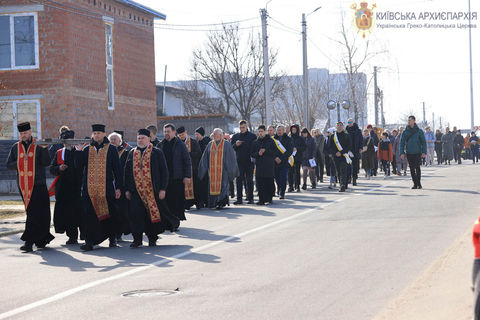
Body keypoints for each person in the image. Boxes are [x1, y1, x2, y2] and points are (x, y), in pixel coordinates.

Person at [124, 129, 180, 247]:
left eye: (143, 138)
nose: (140, 140)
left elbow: (164, 171)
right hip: (136, 191)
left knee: (151, 216)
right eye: (139, 138)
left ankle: (152, 238)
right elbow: (127, 172)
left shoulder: (156, 152)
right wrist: (127, 189)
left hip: (152, 191)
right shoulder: (132, 153)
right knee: (136, 215)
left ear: (149, 139)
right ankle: (137, 239)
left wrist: (163, 189)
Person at [6, 122, 54, 252]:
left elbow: (46, 163)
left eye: (25, 133)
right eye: (21, 133)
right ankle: (31, 241)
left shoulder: (38, 145)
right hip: (23, 186)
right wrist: (20, 162)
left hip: (38, 184)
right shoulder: (16, 147)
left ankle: (37, 240)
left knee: (42, 213)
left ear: (30, 132)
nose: (23, 135)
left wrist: (44, 149)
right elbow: (9, 164)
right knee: (32, 213)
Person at [75, 124, 122, 251]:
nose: (96, 135)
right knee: (89, 216)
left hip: (106, 189)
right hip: (89, 190)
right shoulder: (86, 149)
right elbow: (78, 168)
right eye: (94, 133)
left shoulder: (111, 149)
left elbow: (117, 170)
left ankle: (112, 239)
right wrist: (78, 152)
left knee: (109, 213)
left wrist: (118, 187)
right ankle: (90, 241)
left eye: (99, 133)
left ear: (104, 134)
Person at [49, 130, 83, 245]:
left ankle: (83, 234)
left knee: (79, 212)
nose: (67, 144)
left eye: (69, 141)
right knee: (67, 213)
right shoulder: (59, 152)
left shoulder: (79, 151)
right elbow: (51, 169)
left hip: (77, 187)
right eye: (65, 142)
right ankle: (72, 236)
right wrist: (59, 168)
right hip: (63, 188)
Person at [159, 124, 192, 225]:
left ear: (174, 132)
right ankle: (168, 221)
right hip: (164, 179)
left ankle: (175, 221)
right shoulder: (161, 145)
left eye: (168, 131)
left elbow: (187, 160)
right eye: (165, 132)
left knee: (176, 201)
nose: (166, 134)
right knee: (165, 201)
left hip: (176, 178)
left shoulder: (180, 144)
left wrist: (187, 176)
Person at [198, 128, 239, 209]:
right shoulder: (210, 144)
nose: (214, 136)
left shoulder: (226, 144)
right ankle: (213, 203)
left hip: (223, 171)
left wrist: (231, 171)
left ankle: (221, 202)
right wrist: (202, 170)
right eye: (213, 134)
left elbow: (231, 158)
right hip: (212, 171)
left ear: (220, 135)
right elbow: (205, 158)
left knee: (223, 186)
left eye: (215, 134)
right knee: (212, 187)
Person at [108, 131, 131, 241]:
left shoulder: (126, 153)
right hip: (108, 185)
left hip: (121, 185)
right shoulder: (106, 152)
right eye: (111, 139)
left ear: (120, 141)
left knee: (121, 211)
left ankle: (119, 233)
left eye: (114, 139)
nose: (112, 141)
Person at [251, 125, 280, 205]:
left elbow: (275, 152)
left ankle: (269, 198)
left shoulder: (270, 141)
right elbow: (252, 154)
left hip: (268, 165)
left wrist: (266, 151)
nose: (260, 133)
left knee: (269, 182)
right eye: (259, 131)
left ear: (265, 132)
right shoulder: (255, 142)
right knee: (260, 182)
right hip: (259, 165)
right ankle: (261, 199)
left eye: (262, 131)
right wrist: (258, 153)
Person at [231, 120, 257, 205]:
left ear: (246, 127)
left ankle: (250, 198)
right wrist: (236, 145)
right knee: (239, 180)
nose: (242, 129)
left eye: (243, 127)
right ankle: (239, 199)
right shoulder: (235, 136)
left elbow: (254, 148)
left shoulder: (252, 136)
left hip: (249, 161)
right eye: (240, 127)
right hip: (239, 162)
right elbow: (231, 148)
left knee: (249, 180)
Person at [177, 126, 202, 210]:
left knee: (196, 187)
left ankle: (198, 203)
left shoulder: (193, 142)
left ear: (186, 132)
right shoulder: (177, 143)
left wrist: (188, 154)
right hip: (182, 170)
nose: (181, 137)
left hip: (193, 168)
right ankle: (186, 204)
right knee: (183, 188)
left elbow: (198, 154)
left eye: (183, 134)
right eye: (180, 135)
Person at [400, 116, 427, 189]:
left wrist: (424, 152)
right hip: (409, 152)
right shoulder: (405, 132)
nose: (409, 122)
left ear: (414, 121)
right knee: (411, 168)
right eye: (408, 120)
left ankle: (419, 183)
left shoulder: (419, 131)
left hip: (417, 152)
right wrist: (401, 152)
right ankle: (415, 183)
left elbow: (423, 142)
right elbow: (402, 142)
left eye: (410, 120)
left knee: (417, 167)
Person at [329, 122, 352, 192]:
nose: (339, 127)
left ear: (343, 127)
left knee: (343, 170)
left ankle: (343, 185)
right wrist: (335, 153)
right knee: (338, 171)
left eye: (340, 125)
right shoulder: (333, 136)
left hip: (344, 156)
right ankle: (341, 184)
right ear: (336, 127)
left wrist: (341, 152)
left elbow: (349, 146)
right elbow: (330, 147)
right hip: (335, 156)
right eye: (338, 125)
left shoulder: (346, 135)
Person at [273, 125, 293, 199]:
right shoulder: (274, 139)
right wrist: (275, 157)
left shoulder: (288, 139)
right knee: (277, 178)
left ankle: (282, 193)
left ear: (283, 131)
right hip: (275, 162)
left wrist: (281, 158)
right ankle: (279, 188)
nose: (279, 132)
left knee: (283, 178)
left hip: (284, 162)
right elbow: (271, 150)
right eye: (278, 130)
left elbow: (289, 151)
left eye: (280, 130)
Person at [195, 127, 211, 208]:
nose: (196, 136)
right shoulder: (196, 143)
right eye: (195, 134)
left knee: (206, 185)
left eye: (197, 134)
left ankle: (207, 201)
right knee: (200, 185)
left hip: (206, 167)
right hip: (199, 167)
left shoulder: (206, 142)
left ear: (201, 134)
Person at [288, 124, 306, 192]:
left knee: (297, 172)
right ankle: (290, 186)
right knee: (290, 172)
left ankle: (297, 185)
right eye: (292, 130)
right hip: (290, 157)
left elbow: (304, 147)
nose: (293, 131)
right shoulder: (289, 138)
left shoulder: (300, 138)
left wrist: (297, 148)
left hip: (298, 157)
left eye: (295, 130)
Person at [346, 119, 363, 186]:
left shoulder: (357, 130)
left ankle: (354, 179)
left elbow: (361, 140)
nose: (349, 123)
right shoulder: (346, 130)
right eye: (348, 122)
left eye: (350, 122)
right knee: (348, 166)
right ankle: (348, 178)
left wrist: (361, 148)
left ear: (353, 123)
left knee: (355, 166)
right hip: (348, 150)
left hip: (355, 150)